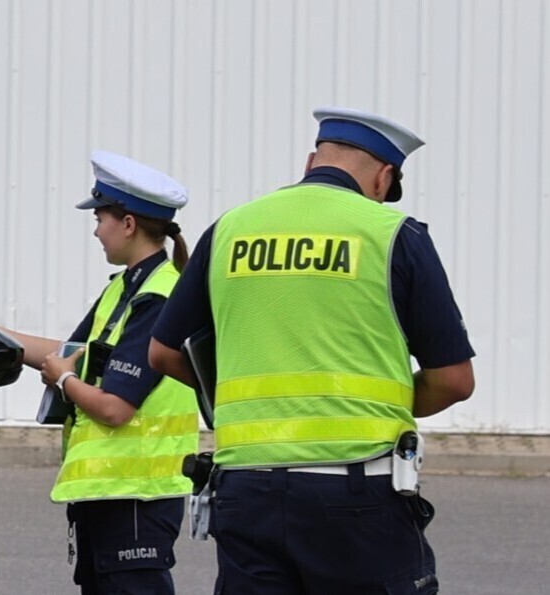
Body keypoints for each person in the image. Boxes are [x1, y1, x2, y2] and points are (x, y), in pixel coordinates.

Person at [148, 106, 475, 594]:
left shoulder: (230, 229)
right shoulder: (392, 233)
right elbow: (453, 381)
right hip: (355, 489)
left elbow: (163, 353)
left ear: (310, 161)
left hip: (245, 487)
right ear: (384, 177)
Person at [0, 150, 200, 594]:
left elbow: (114, 408)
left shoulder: (155, 297)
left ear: (128, 224)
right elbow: (67, 353)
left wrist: (65, 381)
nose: (96, 230)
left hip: (134, 495)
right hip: (112, 494)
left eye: (100, 218)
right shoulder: (126, 288)